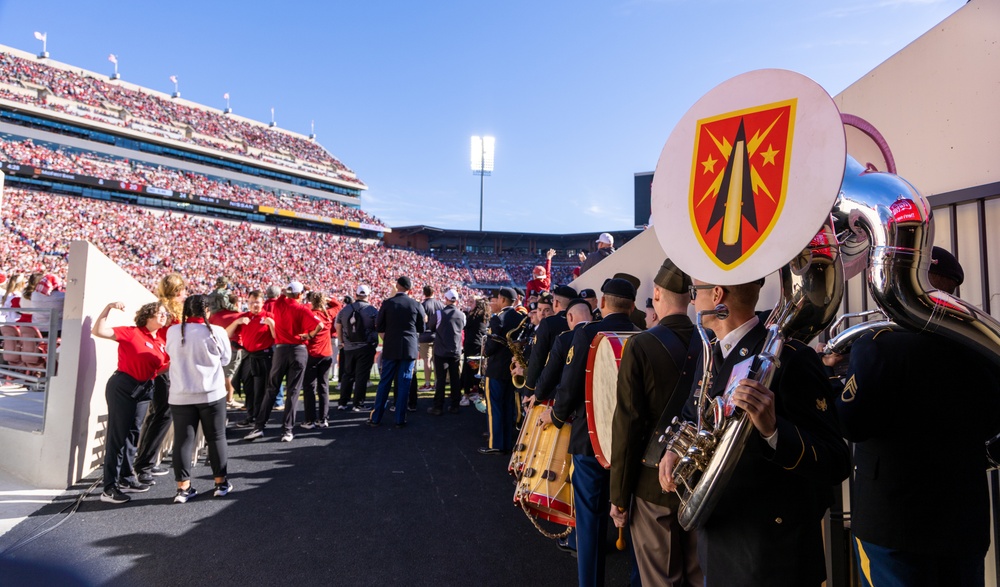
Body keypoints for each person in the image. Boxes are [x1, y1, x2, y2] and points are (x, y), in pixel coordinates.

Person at [658, 278, 851, 587]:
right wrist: (674, 450)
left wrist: (773, 430)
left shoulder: (789, 357)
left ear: (718, 295)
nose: (692, 302)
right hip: (720, 542)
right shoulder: (712, 351)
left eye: (696, 293)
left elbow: (836, 460)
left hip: (771, 557)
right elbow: (693, 415)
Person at [833, 247, 1000, 587]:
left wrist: (836, 382)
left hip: (893, 522)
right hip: (963, 523)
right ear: (951, 291)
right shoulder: (982, 349)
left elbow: (853, 424)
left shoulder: (878, 344)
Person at [610, 259, 703, 586]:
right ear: (691, 298)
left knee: (661, 579)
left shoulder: (640, 345)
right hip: (700, 480)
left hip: (651, 485)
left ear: (657, 294)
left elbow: (628, 425)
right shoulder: (710, 344)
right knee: (698, 576)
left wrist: (619, 495)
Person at [541, 277, 639, 587]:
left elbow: (569, 387)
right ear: (633, 305)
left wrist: (555, 416)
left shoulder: (586, 334)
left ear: (603, 304)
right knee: (636, 523)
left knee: (590, 524)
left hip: (590, 441)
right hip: (632, 444)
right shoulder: (645, 336)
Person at [91, 300, 169, 504]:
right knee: (117, 437)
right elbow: (98, 331)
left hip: (145, 389)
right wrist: (108, 307)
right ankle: (109, 488)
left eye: (165, 313)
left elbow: (157, 368)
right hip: (123, 386)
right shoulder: (131, 332)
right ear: (148, 316)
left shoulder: (160, 341)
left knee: (133, 433)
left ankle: (126, 478)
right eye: (160, 313)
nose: (164, 316)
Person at [165, 294, 233, 504]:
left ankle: (183, 488)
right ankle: (220, 483)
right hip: (211, 393)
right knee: (216, 437)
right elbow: (225, 359)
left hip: (181, 393)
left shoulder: (174, 331)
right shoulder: (216, 331)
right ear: (207, 311)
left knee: (183, 441)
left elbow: (169, 353)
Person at [244, 281, 320, 442]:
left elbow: (281, 293)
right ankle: (287, 430)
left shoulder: (279, 304)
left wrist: (291, 291)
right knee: (293, 392)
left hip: (280, 349)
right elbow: (318, 324)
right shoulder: (301, 309)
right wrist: (310, 335)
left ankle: (259, 427)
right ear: (299, 295)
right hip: (298, 350)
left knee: (271, 389)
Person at [134, 273, 187, 485]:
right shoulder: (174, 313)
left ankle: (145, 460)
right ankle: (144, 464)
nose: (185, 294)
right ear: (177, 291)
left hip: (159, 366)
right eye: (183, 290)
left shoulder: (160, 308)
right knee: (163, 414)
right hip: (165, 367)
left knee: (157, 414)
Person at [369, 276, 424, 428]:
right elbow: (422, 328)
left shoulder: (388, 303)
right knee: (404, 382)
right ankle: (400, 418)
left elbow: (379, 326)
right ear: (409, 289)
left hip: (391, 346)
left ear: (397, 286)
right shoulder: (416, 304)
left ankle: (376, 417)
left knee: (385, 382)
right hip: (409, 347)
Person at [479, 287, 521, 454]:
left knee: (494, 408)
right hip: (512, 370)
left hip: (496, 369)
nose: (492, 303)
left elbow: (491, 347)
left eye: (495, 300)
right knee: (508, 406)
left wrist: (486, 350)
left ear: (503, 300)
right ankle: (506, 443)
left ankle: (495, 444)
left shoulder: (498, 319)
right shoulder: (521, 318)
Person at [523, 285, 577, 401]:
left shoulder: (549, 323)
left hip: (549, 390)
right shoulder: (581, 323)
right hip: (574, 387)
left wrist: (529, 390)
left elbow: (537, 358)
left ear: (556, 303)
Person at [233, 290, 275, 428]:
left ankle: (260, 418)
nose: (254, 305)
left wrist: (272, 325)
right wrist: (237, 322)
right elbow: (226, 333)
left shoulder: (269, 316)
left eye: (257, 302)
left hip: (263, 357)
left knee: (260, 389)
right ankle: (250, 416)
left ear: (263, 303)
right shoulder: (244, 317)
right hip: (248, 357)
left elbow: (277, 338)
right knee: (248, 388)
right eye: (251, 302)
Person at [336, 285, 379, 412]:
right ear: (368, 295)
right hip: (366, 346)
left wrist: (342, 341)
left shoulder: (344, 310)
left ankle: (343, 402)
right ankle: (358, 403)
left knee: (347, 374)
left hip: (349, 347)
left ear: (356, 294)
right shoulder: (372, 310)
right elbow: (378, 326)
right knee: (361, 376)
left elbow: (338, 326)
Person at [301, 291, 335, 429]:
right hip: (326, 354)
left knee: (309, 388)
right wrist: (326, 298)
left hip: (312, 354)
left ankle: (310, 420)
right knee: (323, 387)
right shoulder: (328, 315)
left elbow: (303, 308)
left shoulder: (309, 315)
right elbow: (337, 304)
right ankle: (323, 418)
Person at [429, 288, 466, 415]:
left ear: (446, 299)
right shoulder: (462, 315)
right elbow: (462, 327)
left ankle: (438, 407)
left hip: (441, 351)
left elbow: (431, 326)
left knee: (441, 379)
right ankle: (455, 405)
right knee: (455, 379)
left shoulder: (439, 314)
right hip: (455, 350)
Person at [459, 297, 489, 407]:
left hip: (472, 345)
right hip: (479, 345)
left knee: (468, 370)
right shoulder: (484, 315)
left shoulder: (474, 316)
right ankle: (479, 394)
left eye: (471, 302)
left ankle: (466, 394)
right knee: (478, 371)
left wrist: (466, 312)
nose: (468, 303)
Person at [418, 285, 444, 391]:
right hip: (437, 335)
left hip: (425, 335)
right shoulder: (440, 304)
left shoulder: (422, 305)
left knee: (426, 360)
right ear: (434, 292)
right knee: (437, 360)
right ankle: (437, 382)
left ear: (424, 293)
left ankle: (428, 383)